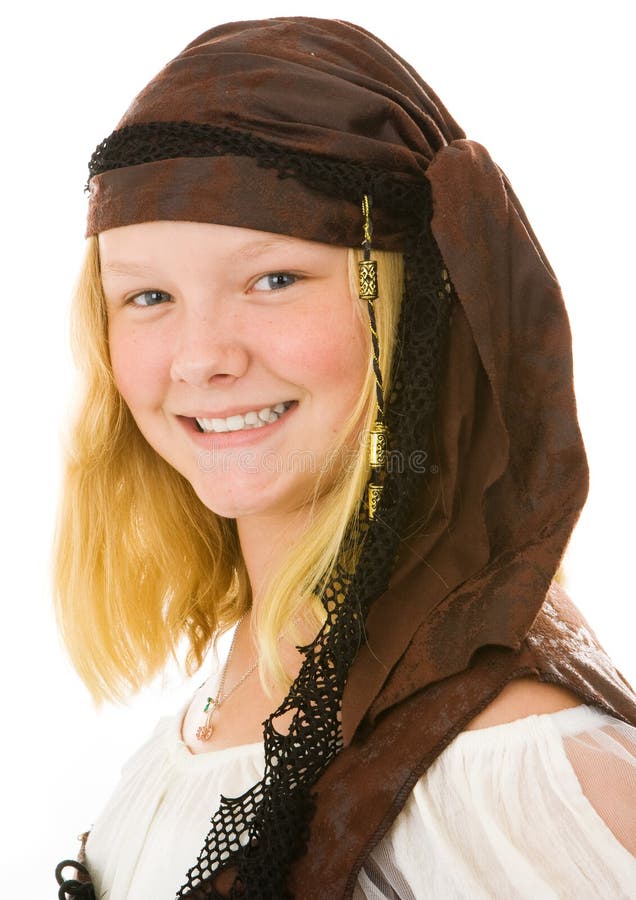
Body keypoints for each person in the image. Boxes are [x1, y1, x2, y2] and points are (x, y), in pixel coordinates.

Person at [54, 16, 636, 900]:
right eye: (148, 295)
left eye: (275, 279)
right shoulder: (227, 699)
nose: (201, 356)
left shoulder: (510, 768)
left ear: (413, 311)